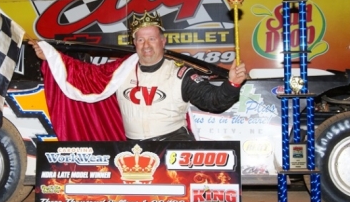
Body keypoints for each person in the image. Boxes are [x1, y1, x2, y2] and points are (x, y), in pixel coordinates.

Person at [29, 11, 247, 141]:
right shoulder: (118, 71)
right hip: (133, 150)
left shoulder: (180, 73)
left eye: (152, 39)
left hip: (174, 145)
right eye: (140, 40)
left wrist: (232, 84)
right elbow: (84, 76)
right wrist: (51, 56)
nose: (146, 46)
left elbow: (213, 101)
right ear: (134, 43)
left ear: (163, 42)